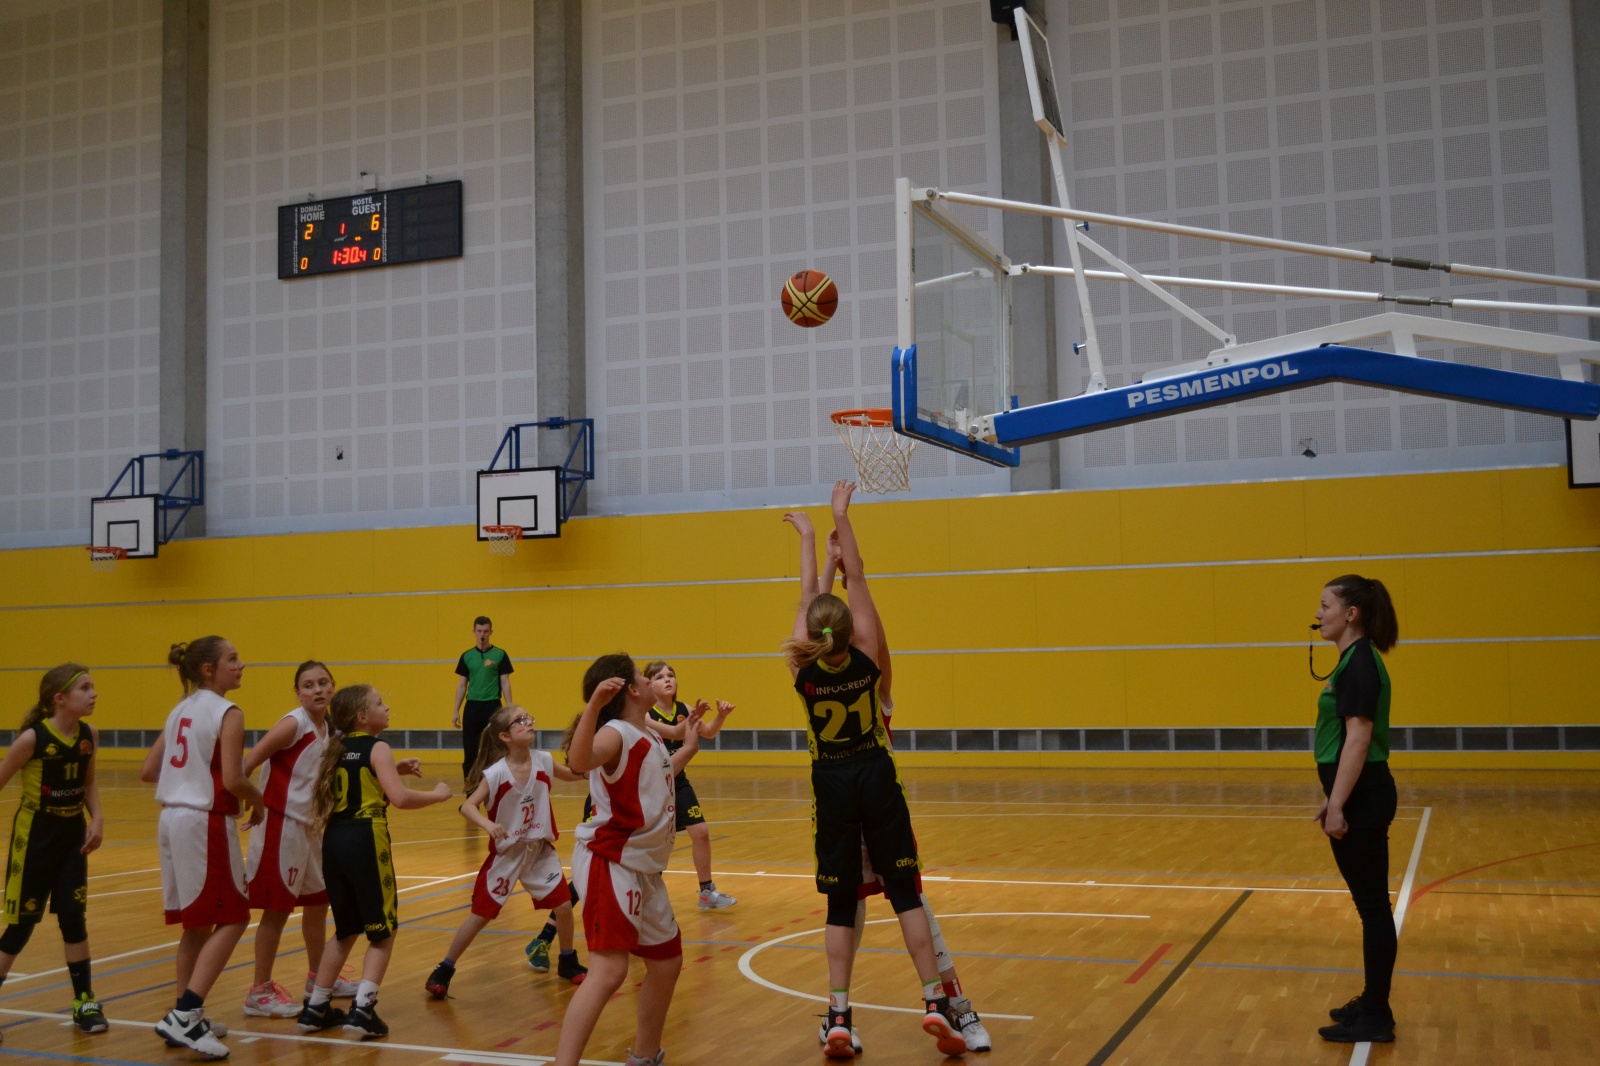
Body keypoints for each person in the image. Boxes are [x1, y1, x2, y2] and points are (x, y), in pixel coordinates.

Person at [782, 481, 967, 1060]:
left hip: (832, 781)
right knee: (905, 894)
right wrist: (843, 520)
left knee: (842, 905)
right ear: (851, 633)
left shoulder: (802, 672)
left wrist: (810, 540)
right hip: (875, 775)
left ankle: (838, 1014)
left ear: (814, 635)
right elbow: (857, 581)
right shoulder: (870, 662)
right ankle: (934, 1001)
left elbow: (808, 599)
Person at [814, 532, 992, 1055]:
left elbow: (833, 626)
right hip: (873, 794)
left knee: (873, 905)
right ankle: (930, 1004)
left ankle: (945, 1004)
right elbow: (874, 641)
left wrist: (828, 569)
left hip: (841, 794)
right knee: (890, 905)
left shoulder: (842, 684)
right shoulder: (867, 676)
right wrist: (853, 573)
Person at [550, 654, 703, 1066]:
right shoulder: (615, 732)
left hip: (643, 868)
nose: (651, 680)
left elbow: (660, 773)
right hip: (610, 862)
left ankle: (645, 1056)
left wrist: (689, 746)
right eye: (642, 675)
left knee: (666, 962)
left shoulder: (646, 733)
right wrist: (594, 707)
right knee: (609, 971)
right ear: (632, 690)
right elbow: (578, 762)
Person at [298, 684, 453, 1039]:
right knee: (384, 930)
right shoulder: (377, 747)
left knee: (346, 929)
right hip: (365, 838)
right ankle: (363, 1011)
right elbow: (399, 798)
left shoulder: (335, 748)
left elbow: (359, 776)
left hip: (334, 839)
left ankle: (315, 1008)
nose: (387, 707)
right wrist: (437, 795)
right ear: (362, 717)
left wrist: (391, 768)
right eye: (380, 703)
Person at [141, 637, 265, 1060]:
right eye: (233, 659)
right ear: (209, 669)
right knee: (234, 917)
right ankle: (186, 1013)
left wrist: (187, 775)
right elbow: (233, 779)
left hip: (171, 818)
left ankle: (185, 1014)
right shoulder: (228, 712)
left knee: (196, 925)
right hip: (203, 822)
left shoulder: (180, 709)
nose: (241, 664)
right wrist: (259, 801)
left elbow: (149, 770)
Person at [426, 704, 587, 997]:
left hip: (538, 850)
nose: (528, 722)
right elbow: (468, 806)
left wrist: (599, 765)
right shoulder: (496, 773)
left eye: (529, 717)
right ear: (505, 736)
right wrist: (488, 825)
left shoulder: (544, 760)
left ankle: (567, 960)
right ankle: (445, 968)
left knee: (564, 906)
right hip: (507, 854)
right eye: (519, 721)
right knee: (480, 915)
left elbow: (574, 774)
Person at [1311, 574, 1401, 1044]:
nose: (1317, 614)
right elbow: (1347, 740)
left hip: (1364, 799)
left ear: (1351, 614)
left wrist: (1340, 804)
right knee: (1371, 907)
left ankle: (1377, 1015)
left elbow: (1359, 738)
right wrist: (1333, 796)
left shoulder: (1360, 663)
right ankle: (1371, 1001)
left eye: (1325, 606)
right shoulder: (1354, 661)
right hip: (1358, 794)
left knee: (1373, 909)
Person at [240, 661, 357, 1018]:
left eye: (323, 683)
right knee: (276, 910)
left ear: (333, 687)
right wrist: (248, 799)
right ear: (298, 693)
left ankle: (318, 979)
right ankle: (259, 991)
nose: (317, 690)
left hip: (311, 826)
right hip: (281, 824)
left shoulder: (330, 730)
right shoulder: (293, 724)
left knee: (318, 903)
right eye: (308, 685)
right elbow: (249, 762)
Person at [0, 664, 108, 1040]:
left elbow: (88, 784)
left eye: (93, 687)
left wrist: (97, 818)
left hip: (72, 838)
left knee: (73, 918)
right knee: (21, 925)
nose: (94, 693)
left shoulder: (90, 735)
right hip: (35, 839)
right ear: (60, 699)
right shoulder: (32, 739)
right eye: (85, 688)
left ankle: (84, 1001)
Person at [642, 661, 738, 910]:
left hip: (678, 782)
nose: (667, 679)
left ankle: (707, 892)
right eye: (659, 676)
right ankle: (645, 892)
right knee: (656, 841)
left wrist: (720, 716)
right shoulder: (645, 714)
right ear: (648, 684)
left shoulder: (683, 708)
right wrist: (694, 719)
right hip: (654, 785)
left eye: (671, 675)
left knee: (701, 832)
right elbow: (675, 733)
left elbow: (709, 732)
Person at [452, 617, 514, 782]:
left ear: (491, 632)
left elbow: (505, 682)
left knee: (494, 751)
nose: (482, 635)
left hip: (492, 707)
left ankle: (494, 787)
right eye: (479, 631)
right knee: (470, 752)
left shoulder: (499, 654)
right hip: (472, 708)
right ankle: (470, 790)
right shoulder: (467, 656)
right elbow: (462, 685)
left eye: (486, 631)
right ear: (474, 632)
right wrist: (456, 710)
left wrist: (509, 708)